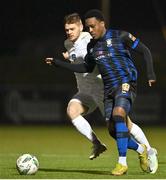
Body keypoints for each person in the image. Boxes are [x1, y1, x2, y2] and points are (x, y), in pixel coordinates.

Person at [45, 10, 158, 175]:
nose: (90, 30)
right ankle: (143, 150)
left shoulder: (118, 36)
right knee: (115, 130)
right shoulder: (91, 45)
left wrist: (151, 74)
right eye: (66, 30)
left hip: (124, 83)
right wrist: (60, 63)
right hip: (106, 89)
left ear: (101, 24)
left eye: (92, 26)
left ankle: (124, 162)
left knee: (120, 115)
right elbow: (85, 67)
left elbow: (145, 50)